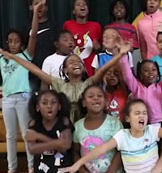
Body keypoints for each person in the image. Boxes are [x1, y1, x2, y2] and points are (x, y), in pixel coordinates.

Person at [0, 41, 132, 122]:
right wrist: (12, 57)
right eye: (71, 62)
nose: (76, 63)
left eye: (78, 61)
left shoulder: (89, 83)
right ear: (65, 70)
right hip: (65, 128)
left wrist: (120, 55)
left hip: (85, 127)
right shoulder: (59, 84)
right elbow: (36, 70)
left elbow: (104, 69)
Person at [0, 0, 44, 173]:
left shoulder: (25, 56)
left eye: (16, 41)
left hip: (24, 98)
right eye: (10, 41)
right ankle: (12, 169)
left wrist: (35, 12)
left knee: (27, 134)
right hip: (8, 99)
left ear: (21, 43)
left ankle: (32, 168)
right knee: (10, 135)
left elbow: (33, 35)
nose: (13, 44)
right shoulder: (2, 59)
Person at [72, 85, 126, 173]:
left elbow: (120, 152)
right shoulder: (78, 126)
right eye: (90, 96)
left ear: (106, 101)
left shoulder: (115, 123)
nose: (95, 98)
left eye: (99, 96)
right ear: (84, 102)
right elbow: (75, 152)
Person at [26, 90, 80, 173]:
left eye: (53, 102)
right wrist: (57, 143)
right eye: (44, 103)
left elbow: (65, 146)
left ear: (59, 106)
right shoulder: (34, 123)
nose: (49, 106)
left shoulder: (64, 121)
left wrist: (40, 137)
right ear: (38, 107)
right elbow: (32, 149)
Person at [64, 0, 102, 76]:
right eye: (78, 5)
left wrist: (98, 47)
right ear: (74, 11)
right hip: (73, 68)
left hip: (91, 68)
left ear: (88, 10)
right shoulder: (68, 24)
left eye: (84, 5)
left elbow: (101, 48)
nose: (82, 6)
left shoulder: (96, 26)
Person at [28, 0, 56, 91]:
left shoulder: (53, 26)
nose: (39, 7)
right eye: (36, 4)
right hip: (32, 71)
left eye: (42, 5)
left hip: (49, 71)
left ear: (46, 8)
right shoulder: (27, 26)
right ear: (31, 7)